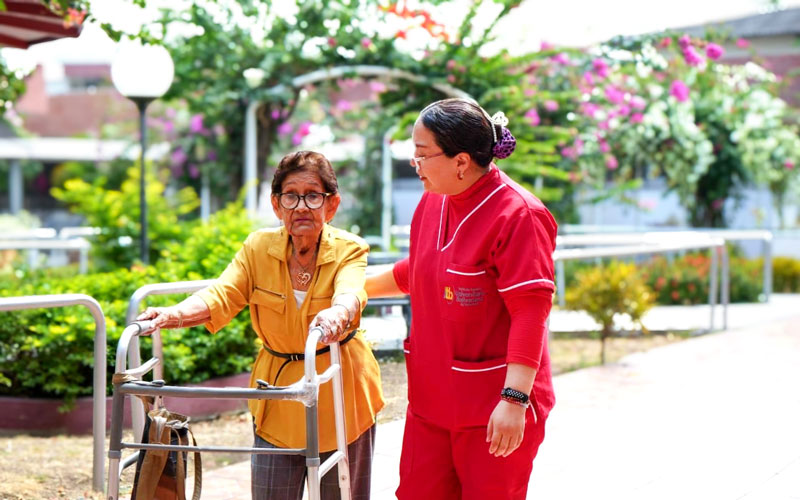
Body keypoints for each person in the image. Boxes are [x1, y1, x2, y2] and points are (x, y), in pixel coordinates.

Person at [137, 150, 384, 500]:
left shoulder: (350, 249)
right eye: (290, 195)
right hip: (278, 395)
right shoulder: (257, 248)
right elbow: (223, 293)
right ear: (276, 204)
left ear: (331, 205)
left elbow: (350, 291)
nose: (301, 206)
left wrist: (337, 313)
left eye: (313, 195)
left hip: (342, 395)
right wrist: (173, 314)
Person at [366, 98, 557, 499]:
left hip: (493, 405)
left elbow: (530, 312)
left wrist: (515, 399)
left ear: (461, 161)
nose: (414, 164)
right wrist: (354, 289)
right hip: (431, 401)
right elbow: (419, 270)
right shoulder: (433, 200)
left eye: (421, 154)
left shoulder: (518, 215)